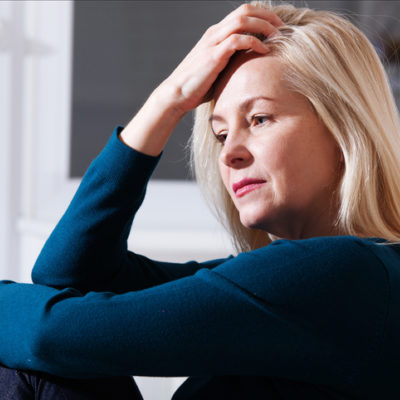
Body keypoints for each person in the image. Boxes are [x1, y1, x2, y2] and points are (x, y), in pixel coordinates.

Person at [1, 0, 400, 399]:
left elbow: (49, 336)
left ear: (343, 126)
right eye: (221, 134)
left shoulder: (343, 277)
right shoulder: (332, 279)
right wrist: (169, 98)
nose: (229, 154)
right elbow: (69, 275)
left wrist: (169, 98)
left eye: (259, 119)